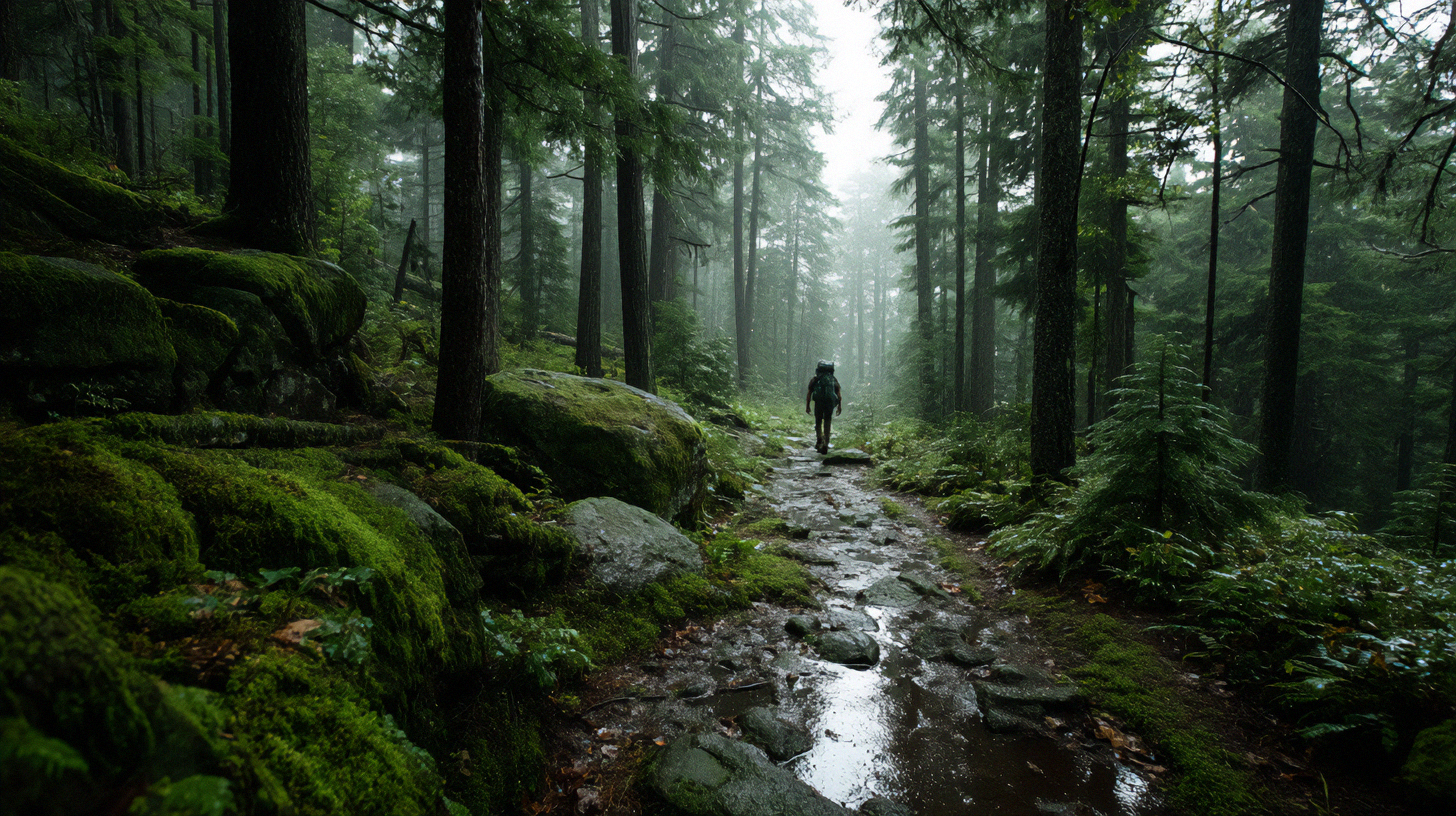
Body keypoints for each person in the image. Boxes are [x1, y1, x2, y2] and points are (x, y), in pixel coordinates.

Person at [805, 360, 841, 454]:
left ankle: (819, 439)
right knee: (827, 421)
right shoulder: (833, 379)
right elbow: (838, 394)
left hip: (819, 402)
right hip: (829, 403)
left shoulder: (815, 379)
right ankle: (826, 443)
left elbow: (809, 393)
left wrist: (807, 406)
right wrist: (839, 406)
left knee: (818, 421)